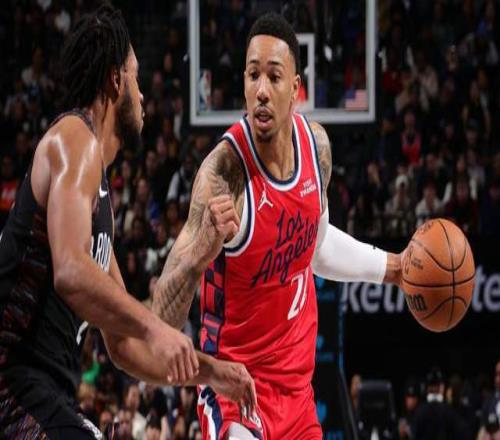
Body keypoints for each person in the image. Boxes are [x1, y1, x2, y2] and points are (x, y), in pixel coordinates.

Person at [0, 4, 255, 439]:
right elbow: (70, 271)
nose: (143, 96)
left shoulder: (98, 201)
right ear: (116, 80)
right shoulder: (74, 139)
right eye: (136, 78)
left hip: (43, 394)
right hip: (12, 386)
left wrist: (212, 372)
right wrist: (156, 328)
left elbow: (124, 346)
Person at [153, 12, 405, 440]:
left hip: (298, 397)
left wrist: (392, 269)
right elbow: (160, 323)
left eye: (273, 76)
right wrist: (197, 257)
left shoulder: (317, 149)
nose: (262, 91)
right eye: (253, 76)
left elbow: (315, 248)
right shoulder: (223, 174)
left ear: (295, 88)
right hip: (235, 395)